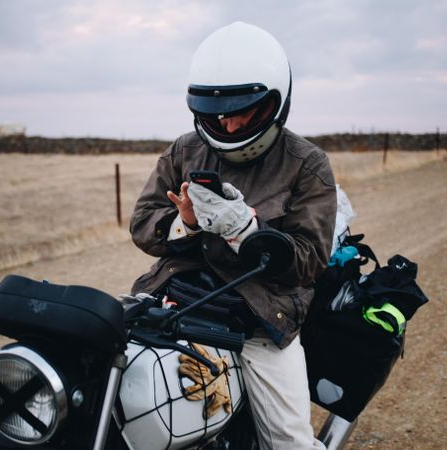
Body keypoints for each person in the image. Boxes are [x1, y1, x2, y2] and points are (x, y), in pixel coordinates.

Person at [130, 21, 336, 450]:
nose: (229, 122)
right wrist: (184, 223)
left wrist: (247, 232)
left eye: (246, 108)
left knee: (290, 443)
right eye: (218, 111)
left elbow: (311, 261)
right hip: (176, 296)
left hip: (260, 318)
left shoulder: (307, 164)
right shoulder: (184, 150)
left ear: (275, 103)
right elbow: (143, 223)